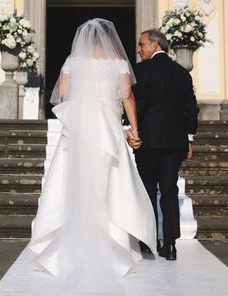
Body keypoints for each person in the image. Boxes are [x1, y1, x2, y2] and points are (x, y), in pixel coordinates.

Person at [28, 19, 156, 295]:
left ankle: (71, 242)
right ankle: (113, 243)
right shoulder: (118, 61)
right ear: (109, 39)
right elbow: (127, 96)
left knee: (73, 180)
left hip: (80, 127)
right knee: (111, 184)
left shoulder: (73, 60)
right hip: (108, 126)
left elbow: (62, 94)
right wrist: (134, 129)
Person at [126, 29, 199, 261]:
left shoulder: (142, 69)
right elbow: (191, 107)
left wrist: (131, 128)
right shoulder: (182, 73)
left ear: (155, 45)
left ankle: (148, 242)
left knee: (147, 189)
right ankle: (170, 245)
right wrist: (189, 138)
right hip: (175, 141)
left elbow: (142, 102)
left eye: (142, 44)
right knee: (169, 190)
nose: (139, 49)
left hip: (148, 140)